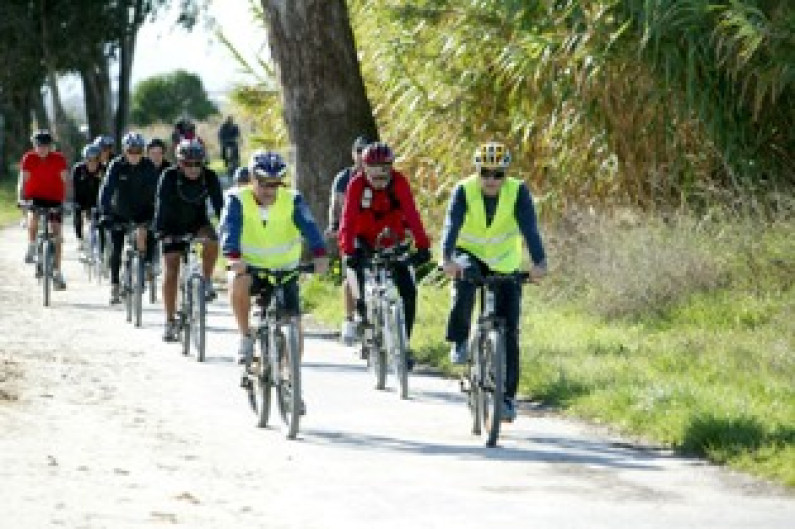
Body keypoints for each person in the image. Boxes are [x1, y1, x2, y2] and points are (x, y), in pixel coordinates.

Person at [440, 141, 547, 422]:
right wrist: (447, 258)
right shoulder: (464, 190)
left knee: (509, 331)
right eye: (485, 173)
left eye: (498, 174)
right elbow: (451, 225)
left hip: (504, 262)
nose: (491, 180)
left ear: (505, 174)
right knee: (464, 283)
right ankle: (460, 340)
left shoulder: (518, 191)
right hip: (469, 254)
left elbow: (529, 228)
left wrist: (539, 262)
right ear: (477, 171)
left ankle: (507, 399)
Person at [220, 150, 328, 369]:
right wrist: (233, 257)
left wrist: (320, 254)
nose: (269, 190)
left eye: (275, 184)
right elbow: (229, 229)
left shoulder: (292, 199)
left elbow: (310, 227)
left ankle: (290, 378)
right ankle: (245, 337)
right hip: (251, 268)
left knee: (294, 325)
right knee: (237, 282)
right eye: (264, 184)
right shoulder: (237, 199)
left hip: (285, 269)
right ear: (252, 179)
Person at [338, 142, 432, 366]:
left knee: (408, 290)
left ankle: (404, 345)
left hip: (392, 239)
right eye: (374, 170)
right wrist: (348, 250)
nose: (380, 176)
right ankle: (362, 314)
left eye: (385, 169)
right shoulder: (356, 185)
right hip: (363, 239)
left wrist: (423, 246)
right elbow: (348, 220)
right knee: (356, 273)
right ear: (364, 167)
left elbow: (412, 214)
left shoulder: (399, 182)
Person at [154, 139, 224, 342]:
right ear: (179, 163)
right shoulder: (168, 176)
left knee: (212, 241)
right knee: (171, 269)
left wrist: (227, 228)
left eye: (197, 164)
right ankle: (169, 321)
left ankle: (206, 281)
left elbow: (221, 207)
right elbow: (161, 205)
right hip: (172, 226)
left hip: (197, 223)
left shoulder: (210, 177)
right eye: (188, 164)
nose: (193, 168)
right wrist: (161, 231)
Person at [98, 132, 159, 304]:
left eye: (138, 151)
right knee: (116, 249)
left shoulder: (149, 166)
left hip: (143, 212)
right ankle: (115, 285)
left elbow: (158, 192)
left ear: (143, 151)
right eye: (131, 151)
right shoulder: (116, 165)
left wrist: (160, 213)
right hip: (120, 212)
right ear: (125, 151)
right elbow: (106, 190)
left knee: (146, 235)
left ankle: (145, 265)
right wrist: (105, 213)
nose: (134, 155)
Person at [327, 135, 369, 344]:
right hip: (350, 231)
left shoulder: (383, 175)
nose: (363, 155)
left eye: (366, 150)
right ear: (353, 154)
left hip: (376, 232)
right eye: (359, 151)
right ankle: (349, 319)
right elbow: (336, 206)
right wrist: (335, 226)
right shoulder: (344, 178)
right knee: (351, 273)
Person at [17, 130, 69, 290]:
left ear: (50, 146)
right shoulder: (28, 158)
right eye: (39, 145)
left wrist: (68, 201)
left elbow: (66, 181)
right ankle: (32, 245)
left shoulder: (59, 159)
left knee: (57, 235)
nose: (42, 149)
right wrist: (21, 199)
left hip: (55, 198)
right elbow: (22, 181)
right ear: (34, 146)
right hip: (35, 197)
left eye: (45, 146)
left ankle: (57, 272)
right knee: (33, 215)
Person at [71, 144, 104, 255]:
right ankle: (80, 239)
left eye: (95, 160)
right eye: (89, 160)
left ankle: (103, 244)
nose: (92, 163)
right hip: (82, 199)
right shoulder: (78, 169)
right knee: (77, 213)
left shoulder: (104, 169)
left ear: (99, 159)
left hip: (98, 200)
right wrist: (78, 205)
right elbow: (75, 189)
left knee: (104, 219)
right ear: (85, 159)